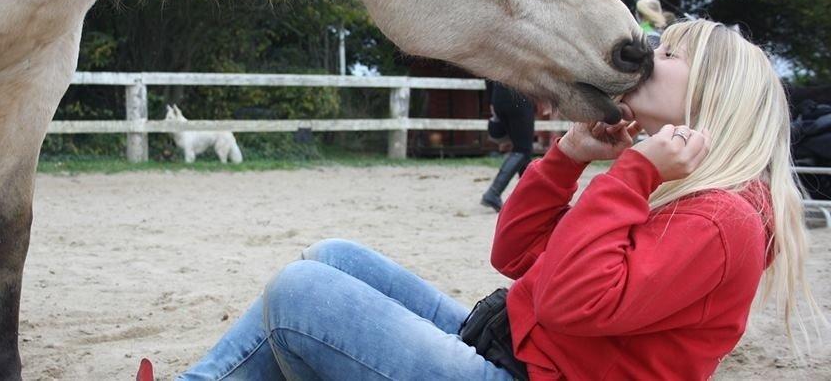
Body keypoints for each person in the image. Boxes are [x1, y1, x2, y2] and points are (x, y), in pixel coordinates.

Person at [174, 19, 820, 380]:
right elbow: (515, 255)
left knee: (301, 298)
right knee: (333, 259)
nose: (646, 53)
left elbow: (570, 298)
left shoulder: (723, 219)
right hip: (516, 348)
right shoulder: (676, 185)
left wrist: (630, 178)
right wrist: (568, 159)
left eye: (668, 51)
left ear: (712, 93)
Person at [481, 82, 535, 212]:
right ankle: (493, 192)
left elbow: (487, 74)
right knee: (523, 149)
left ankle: (531, 197)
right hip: (519, 96)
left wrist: (492, 100)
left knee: (523, 151)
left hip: (498, 97)